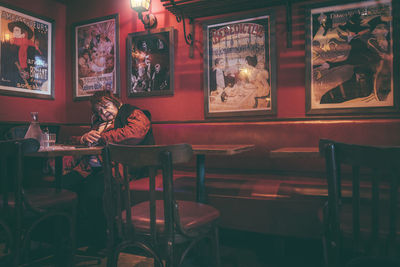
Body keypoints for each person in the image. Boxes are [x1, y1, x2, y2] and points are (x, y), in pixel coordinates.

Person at [61, 90, 154, 252]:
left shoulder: (133, 113)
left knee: (94, 191)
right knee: (63, 186)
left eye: (106, 106)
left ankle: (101, 242)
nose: (103, 112)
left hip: (117, 168)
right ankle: (70, 238)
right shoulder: (97, 123)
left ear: (116, 101)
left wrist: (101, 137)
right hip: (88, 168)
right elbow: (79, 141)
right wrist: (84, 138)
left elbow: (134, 133)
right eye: (99, 111)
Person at [0, 21, 42, 89]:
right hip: (9, 80)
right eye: (13, 30)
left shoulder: (31, 48)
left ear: (23, 33)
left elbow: (34, 64)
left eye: (16, 30)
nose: (14, 32)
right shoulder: (8, 46)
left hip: (25, 81)